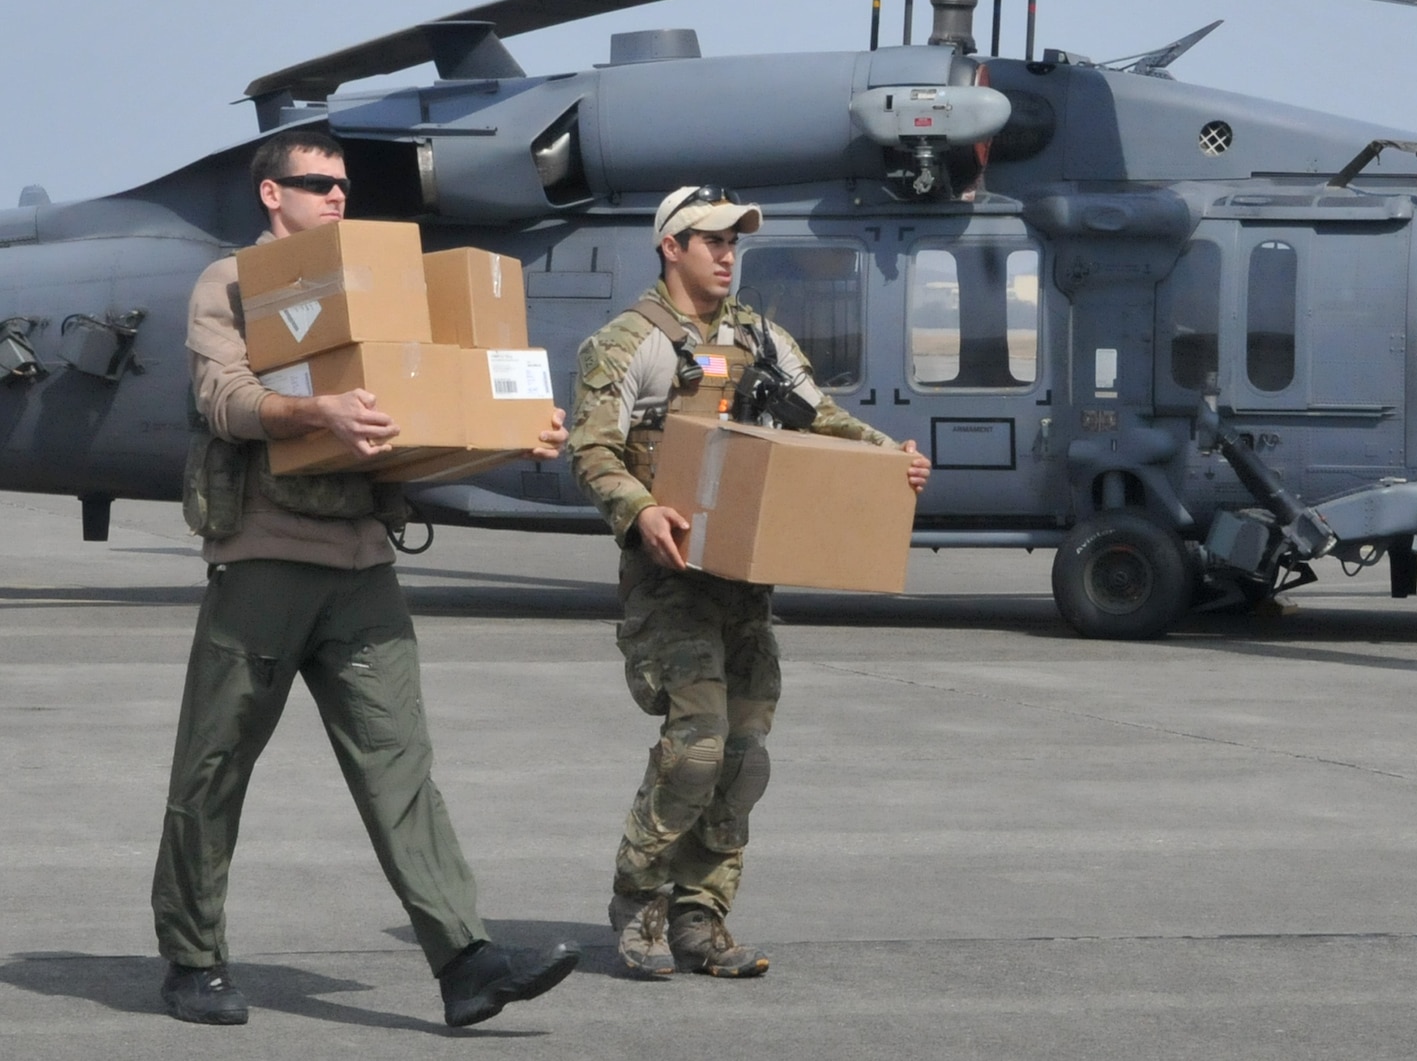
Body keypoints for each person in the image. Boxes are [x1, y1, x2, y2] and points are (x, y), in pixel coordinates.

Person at [155, 128, 579, 1028]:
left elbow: (412, 437)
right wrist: (317, 409)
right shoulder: (230, 283)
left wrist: (508, 436)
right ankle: (193, 958)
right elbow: (223, 400)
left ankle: (467, 960)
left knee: (401, 769)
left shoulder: (377, 290)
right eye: (318, 183)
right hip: (265, 557)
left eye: (344, 184)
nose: (338, 195)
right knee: (216, 764)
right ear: (273, 195)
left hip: (362, 562)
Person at [569, 185, 930, 978]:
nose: (728, 253)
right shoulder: (627, 343)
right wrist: (639, 510)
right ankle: (639, 902)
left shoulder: (760, 337)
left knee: (745, 753)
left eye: (735, 241)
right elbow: (592, 450)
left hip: (745, 584)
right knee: (695, 746)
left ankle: (703, 919)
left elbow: (820, 417)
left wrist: (888, 456)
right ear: (671, 246)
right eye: (711, 240)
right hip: (670, 584)